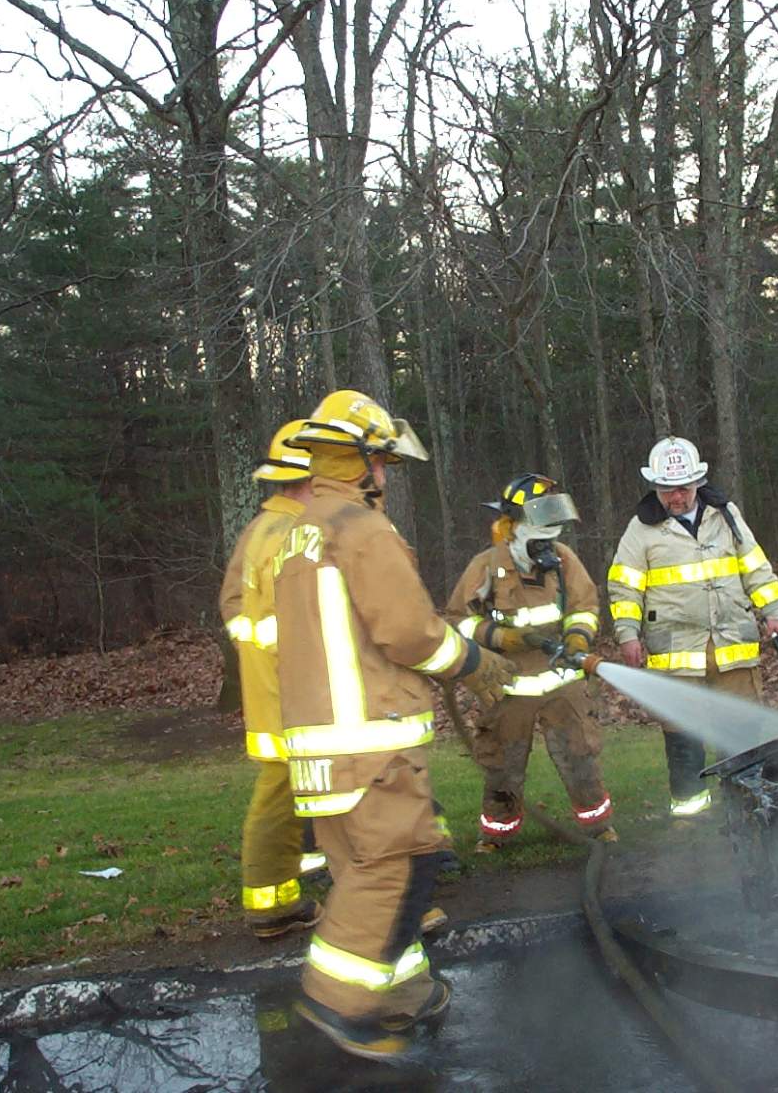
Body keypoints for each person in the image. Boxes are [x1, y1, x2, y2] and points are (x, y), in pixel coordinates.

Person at [271, 389, 517, 1060]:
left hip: (320, 750)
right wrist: (472, 661)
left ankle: (402, 994)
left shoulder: (297, 533)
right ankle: (336, 1002)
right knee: (398, 866)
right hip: (369, 742)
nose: (384, 474)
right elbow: (408, 631)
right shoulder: (362, 529)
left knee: (363, 873)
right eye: (380, 461)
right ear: (356, 461)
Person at [607, 436, 778, 818]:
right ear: (655, 488)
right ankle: (691, 818)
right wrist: (627, 633)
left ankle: (746, 810)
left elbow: (755, 567)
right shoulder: (641, 529)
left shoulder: (726, 515)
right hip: (676, 654)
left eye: (683, 488)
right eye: (668, 490)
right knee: (683, 735)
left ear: (697, 483)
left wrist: (773, 612)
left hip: (732, 646)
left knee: (740, 728)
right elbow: (625, 586)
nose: (676, 497)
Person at [445, 473, 615, 852]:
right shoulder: (486, 566)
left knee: (580, 752)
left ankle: (598, 826)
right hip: (508, 684)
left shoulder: (563, 560)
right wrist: (499, 637)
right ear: (514, 524)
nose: (548, 541)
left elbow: (585, 606)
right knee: (502, 762)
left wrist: (577, 637)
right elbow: (458, 620)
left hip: (561, 678)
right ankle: (497, 834)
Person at [220, 420, 325, 940]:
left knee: (284, 794)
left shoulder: (259, 529)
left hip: (271, 692)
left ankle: (277, 901)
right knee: (294, 794)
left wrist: (258, 656)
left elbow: (233, 606)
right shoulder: (300, 534)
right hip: (301, 693)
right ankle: (388, 904)